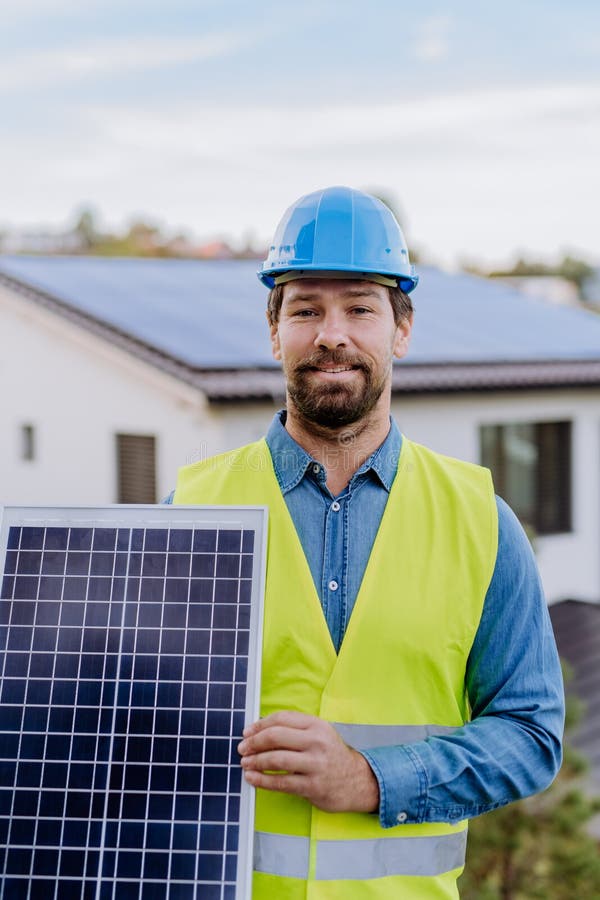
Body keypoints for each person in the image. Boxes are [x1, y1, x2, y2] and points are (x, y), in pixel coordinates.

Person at [171, 186, 564, 898]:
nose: (332, 334)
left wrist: (373, 777)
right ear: (273, 330)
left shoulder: (482, 522)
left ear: (400, 330)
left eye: (359, 307)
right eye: (306, 309)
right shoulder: (191, 510)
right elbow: (125, 722)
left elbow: (531, 736)